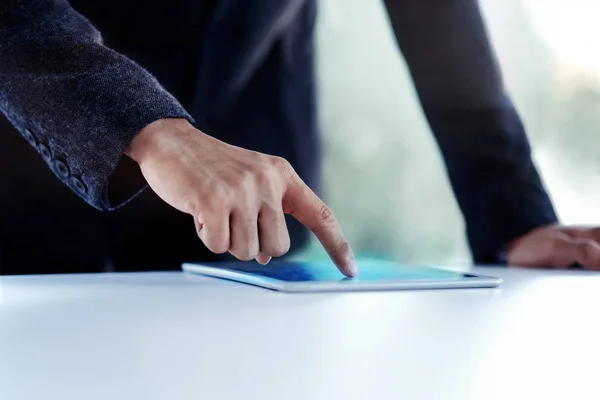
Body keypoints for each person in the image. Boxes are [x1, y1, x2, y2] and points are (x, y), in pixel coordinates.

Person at [1, 0, 599, 276]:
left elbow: (439, 20)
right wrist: (148, 129)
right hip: (28, 178)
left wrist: (512, 216)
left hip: (249, 211)